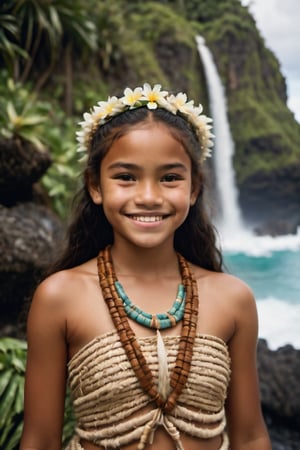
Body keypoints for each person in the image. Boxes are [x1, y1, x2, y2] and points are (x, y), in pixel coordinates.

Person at [20, 83, 271, 450]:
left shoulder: (233, 299)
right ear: (95, 185)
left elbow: (251, 437)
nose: (149, 197)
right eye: (126, 177)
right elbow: (40, 441)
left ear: (194, 188)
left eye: (170, 178)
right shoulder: (60, 298)